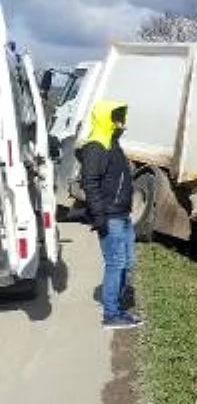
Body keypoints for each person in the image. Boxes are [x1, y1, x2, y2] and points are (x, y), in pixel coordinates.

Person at [77, 100, 141, 329]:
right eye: (117, 117)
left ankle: (116, 306)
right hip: (110, 217)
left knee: (127, 262)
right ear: (106, 119)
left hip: (123, 216)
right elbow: (90, 183)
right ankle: (111, 315)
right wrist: (99, 216)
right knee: (116, 263)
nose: (121, 122)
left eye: (122, 117)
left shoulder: (113, 144)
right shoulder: (96, 147)